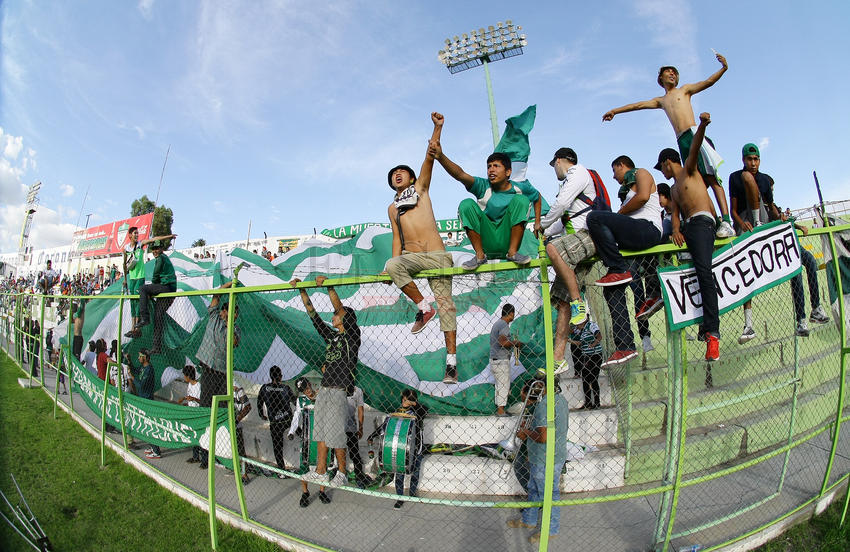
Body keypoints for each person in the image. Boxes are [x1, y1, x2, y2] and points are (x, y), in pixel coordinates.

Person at [603, 53, 735, 239]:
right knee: (696, 183)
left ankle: (727, 221)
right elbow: (638, 105)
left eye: (675, 72)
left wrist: (723, 68)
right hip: (681, 141)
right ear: (660, 79)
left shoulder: (685, 90)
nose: (672, 74)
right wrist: (615, 111)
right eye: (668, 72)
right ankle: (716, 222)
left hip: (694, 133)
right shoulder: (661, 100)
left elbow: (708, 82)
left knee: (711, 177)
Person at [385, 112, 458, 384]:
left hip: (437, 256)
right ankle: (424, 307)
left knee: (447, 307)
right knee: (392, 264)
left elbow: (430, 155)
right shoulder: (392, 208)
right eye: (393, 174)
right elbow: (397, 239)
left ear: (412, 177)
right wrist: (391, 269)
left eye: (401, 171)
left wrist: (437, 127)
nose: (397, 174)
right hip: (412, 257)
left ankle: (451, 364)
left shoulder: (421, 189)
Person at [431, 118, 543, 268]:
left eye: (496, 166)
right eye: (489, 166)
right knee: (466, 204)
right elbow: (460, 174)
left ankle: (512, 253)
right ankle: (479, 256)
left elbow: (537, 197)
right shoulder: (482, 186)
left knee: (522, 200)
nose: (491, 169)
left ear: (508, 172)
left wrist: (537, 223)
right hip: (486, 240)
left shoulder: (520, 188)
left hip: (507, 239)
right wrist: (440, 156)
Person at [587, 156, 664, 366]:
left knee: (594, 217)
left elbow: (643, 197)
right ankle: (625, 346)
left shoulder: (641, 173)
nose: (614, 176)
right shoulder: (625, 192)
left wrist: (619, 214)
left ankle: (617, 267)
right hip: (631, 241)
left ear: (622, 165)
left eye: (615, 170)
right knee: (612, 288)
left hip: (647, 229)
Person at [656, 112, 720, 361]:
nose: (662, 172)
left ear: (667, 162)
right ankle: (701, 325)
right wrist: (675, 230)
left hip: (703, 222)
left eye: (661, 167)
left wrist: (702, 125)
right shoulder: (673, 189)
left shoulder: (689, 171)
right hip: (688, 228)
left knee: (704, 272)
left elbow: (694, 147)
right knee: (689, 274)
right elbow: (675, 214)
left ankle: (713, 334)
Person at [291, 275, 361, 488]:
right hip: (325, 389)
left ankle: (342, 472)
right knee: (320, 432)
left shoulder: (352, 336)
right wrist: (302, 290)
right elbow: (313, 316)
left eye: (337, 315)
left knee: (336, 434)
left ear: (346, 319)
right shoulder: (332, 337)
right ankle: (320, 471)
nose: (333, 316)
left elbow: (339, 307)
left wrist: (329, 287)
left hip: (339, 389)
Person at [538, 148, 597, 373]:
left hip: (588, 235)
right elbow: (561, 220)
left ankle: (578, 302)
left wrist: (541, 224)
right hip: (575, 244)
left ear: (559, 161)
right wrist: (544, 230)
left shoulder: (578, 172)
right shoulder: (571, 187)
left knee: (553, 247)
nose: (554, 170)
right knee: (562, 304)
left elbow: (561, 205)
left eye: (554, 165)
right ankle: (558, 359)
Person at [506, 378, 569, 545]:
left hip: (545, 458)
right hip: (549, 455)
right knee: (533, 489)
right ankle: (529, 519)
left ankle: (550, 530)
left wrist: (526, 433)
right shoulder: (560, 400)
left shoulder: (543, 406)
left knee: (549, 495)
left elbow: (543, 437)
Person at [196, 280, 240, 470]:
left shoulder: (235, 329)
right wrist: (228, 285)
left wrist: (230, 323)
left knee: (221, 412)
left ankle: (220, 453)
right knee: (206, 409)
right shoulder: (213, 317)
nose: (227, 314)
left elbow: (234, 342)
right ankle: (203, 454)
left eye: (232, 313)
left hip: (222, 374)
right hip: (208, 370)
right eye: (226, 311)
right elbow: (216, 296)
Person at [368, 389, 428, 509]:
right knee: (399, 474)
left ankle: (412, 493)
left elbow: (424, 410)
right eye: (404, 399)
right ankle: (400, 497)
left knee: (415, 472)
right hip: (401, 449)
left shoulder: (417, 412)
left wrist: (413, 404)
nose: (405, 401)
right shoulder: (397, 413)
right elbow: (385, 426)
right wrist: (372, 436)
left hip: (416, 448)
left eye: (408, 399)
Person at [288, 377, 331, 507]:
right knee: (304, 464)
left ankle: (322, 491)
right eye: (303, 390)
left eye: (307, 388)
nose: (306, 391)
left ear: (310, 384)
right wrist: (291, 431)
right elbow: (297, 416)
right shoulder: (301, 400)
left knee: (322, 462)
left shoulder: (321, 396)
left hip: (322, 436)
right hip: (307, 437)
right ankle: (305, 492)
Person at [132, 239, 178, 354]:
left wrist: (151, 290)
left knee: (143, 289)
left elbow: (156, 275)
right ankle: (156, 347)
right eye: (153, 249)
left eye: (157, 248)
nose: (155, 251)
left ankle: (144, 317)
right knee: (158, 317)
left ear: (161, 249)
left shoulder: (161, 258)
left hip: (167, 287)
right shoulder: (163, 258)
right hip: (169, 288)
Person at [256, 365, 295, 475]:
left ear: (270, 376)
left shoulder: (264, 388)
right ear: (280, 376)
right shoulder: (286, 388)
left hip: (275, 422)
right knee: (297, 429)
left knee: (277, 447)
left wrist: (262, 414)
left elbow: (259, 402)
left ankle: (281, 470)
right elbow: (295, 401)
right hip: (288, 420)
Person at [490, 303, 524, 415]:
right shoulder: (504, 325)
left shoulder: (497, 323)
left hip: (495, 359)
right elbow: (502, 342)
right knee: (504, 386)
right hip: (501, 360)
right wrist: (515, 342)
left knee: (499, 386)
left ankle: (499, 410)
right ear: (511, 313)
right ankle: (501, 411)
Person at [133, 349, 162, 459]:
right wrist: (129, 362)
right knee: (145, 424)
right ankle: (152, 446)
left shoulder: (149, 369)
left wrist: (132, 377)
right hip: (143, 399)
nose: (138, 358)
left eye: (140, 356)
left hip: (147, 399)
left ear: (145, 357)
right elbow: (136, 371)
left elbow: (141, 385)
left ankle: (156, 451)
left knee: (150, 425)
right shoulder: (143, 367)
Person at [568, 318, 603, 409]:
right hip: (587, 357)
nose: (576, 326)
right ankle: (588, 402)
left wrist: (593, 344)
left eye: (577, 324)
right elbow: (580, 343)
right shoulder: (583, 331)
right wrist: (569, 341)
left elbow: (599, 336)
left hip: (595, 356)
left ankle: (597, 403)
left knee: (593, 379)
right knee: (585, 380)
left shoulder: (591, 325)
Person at [345, 384, 369, 488]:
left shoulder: (357, 390)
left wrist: (361, 427)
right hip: (337, 427)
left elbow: (360, 409)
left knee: (354, 454)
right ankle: (339, 474)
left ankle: (359, 477)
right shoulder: (335, 386)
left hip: (351, 427)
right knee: (336, 452)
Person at [178, 365, 201, 464]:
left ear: (188, 376)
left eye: (184, 375)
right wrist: (185, 401)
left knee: (199, 435)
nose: (184, 377)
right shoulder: (189, 385)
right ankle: (195, 456)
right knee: (193, 435)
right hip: (191, 412)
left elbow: (202, 400)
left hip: (197, 413)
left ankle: (203, 458)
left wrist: (194, 399)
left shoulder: (198, 386)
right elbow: (189, 398)